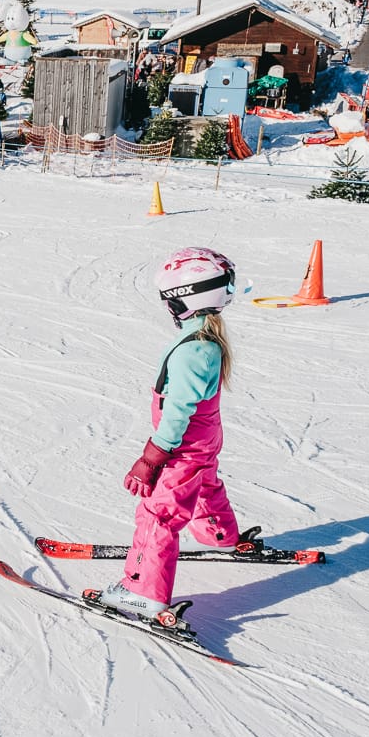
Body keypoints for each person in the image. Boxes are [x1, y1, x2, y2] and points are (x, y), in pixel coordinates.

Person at [91, 248, 241, 622]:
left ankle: (143, 592)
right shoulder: (204, 341)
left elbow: (177, 412)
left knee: (159, 513)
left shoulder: (195, 350)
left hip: (182, 445)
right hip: (204, 440)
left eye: (169, 301)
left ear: (183, 301)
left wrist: (152, 457)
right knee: (204, 485)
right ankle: (219, 536)